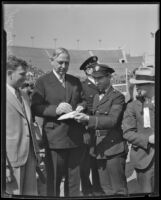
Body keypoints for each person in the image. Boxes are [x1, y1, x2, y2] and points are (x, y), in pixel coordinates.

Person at [31, 47, 86, 197]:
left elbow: (84, 100)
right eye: (60, 62)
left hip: (75, 138)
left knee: (74, 181)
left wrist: (82, 107)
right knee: (54, 179)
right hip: (54, 138)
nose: (63, 66)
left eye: (66, 63)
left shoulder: (75, 81)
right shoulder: (42, 81)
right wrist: (56, 109)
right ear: (51, 61)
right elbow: (35, 107)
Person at [74, 63, 128, 195]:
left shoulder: (117, 97)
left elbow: (112, 120)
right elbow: (95, 118)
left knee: (118, 189)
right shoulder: (97, 97)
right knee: (105, 188)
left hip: (113, 147)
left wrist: (88, 119)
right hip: (99, 147)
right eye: (95, 78)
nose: (96, 81)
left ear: (109, 77)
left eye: (100, 78)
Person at [6, 55, 39, 195]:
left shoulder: (24, 95)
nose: (26, 78)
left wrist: (37, 155)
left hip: (29, 157)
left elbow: (29, 126)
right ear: (9, 73)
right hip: (11, 161)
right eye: (22, 74)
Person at [122, 67, 155, 193]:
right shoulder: (132, 106)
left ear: (151, 85)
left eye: (139, 84)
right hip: (144, 160)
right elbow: (127, 133)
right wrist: (149, 139)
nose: (136, 87)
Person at [79, 56, 103, 196]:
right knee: (85, 162)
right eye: (94, 67)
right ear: (88, 70)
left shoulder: (101, 84)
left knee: (97, 160)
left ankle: (98, 188)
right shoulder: (82, 86)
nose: (96, 69)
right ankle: (87, 190)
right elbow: (80, 109)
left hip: (101, 128)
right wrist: (84, 131)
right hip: (88, 129)